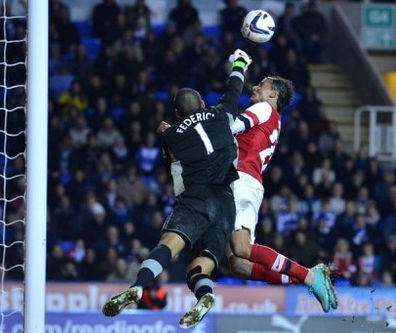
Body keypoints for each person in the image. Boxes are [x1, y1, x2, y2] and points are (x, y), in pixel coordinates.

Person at [102, 49, 252, 328]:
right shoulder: (221, 116)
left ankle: (137, 286)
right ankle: (204, 296)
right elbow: (233, 90)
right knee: (202, 262)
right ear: (204, 104)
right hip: (226, 202)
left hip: (197, 197)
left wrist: (167, 132)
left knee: (168, 247)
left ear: (176, 113)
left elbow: (171, 164)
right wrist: (240, 62)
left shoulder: (171, 135)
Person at [226, 75, 338, 312]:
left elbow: (229, 128)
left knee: (242, 249)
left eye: (262, 85)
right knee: (239, 265)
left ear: (273, 94)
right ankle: (306, 278)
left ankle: (308, 276)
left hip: (241, 181)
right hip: (246, 182)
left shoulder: (263, 108)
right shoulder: (273, 118)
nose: (256, 87)